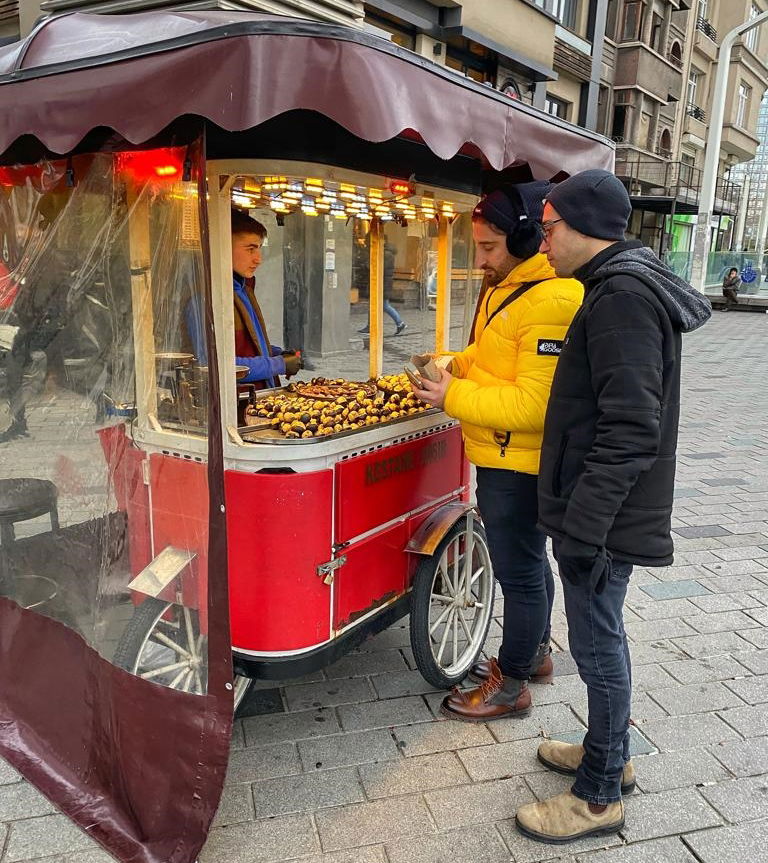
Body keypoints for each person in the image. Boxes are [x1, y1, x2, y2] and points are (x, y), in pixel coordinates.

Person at [514, 169, 711, 844]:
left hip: (599, 520)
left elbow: (630, 429)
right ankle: (609, 753)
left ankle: (598, 796)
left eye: (548, 228)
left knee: (597, 648)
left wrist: (584, 530)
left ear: (584, 227)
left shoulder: (621, 297)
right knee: (602, 640)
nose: (542, 241)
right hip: (599, 513)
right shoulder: (615, 286)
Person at [410, 181, 582, 721]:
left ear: (527, 239)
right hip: (501, 454)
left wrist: (451, 395)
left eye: (488, 246)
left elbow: (536, 405)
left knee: (519, 571)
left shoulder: (552, 299)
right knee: (529, 563)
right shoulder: (506, 288)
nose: (480, 258)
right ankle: (535, 653)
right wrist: (452, 364)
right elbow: (489, 355)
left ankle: (511, 685)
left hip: (519, 463)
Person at [186, 209, 301, 386]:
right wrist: (277, 364)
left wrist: (277, 353)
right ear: (223, 247)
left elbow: (246, 345)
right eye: (250, 249)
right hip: (233, 399)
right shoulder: (203, 301)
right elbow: (211, 364)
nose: (258, 259)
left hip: (257, 396)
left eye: (259, 248)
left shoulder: (243, 289)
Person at [357, 239, 407, 335]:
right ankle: (399, 323)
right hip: (382, 283)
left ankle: (398, 323)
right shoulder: (385, 253)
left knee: (382, 305)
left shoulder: (385, 254)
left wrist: (368, 264)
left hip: (382, 284)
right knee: (382, 305)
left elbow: (378, 267)